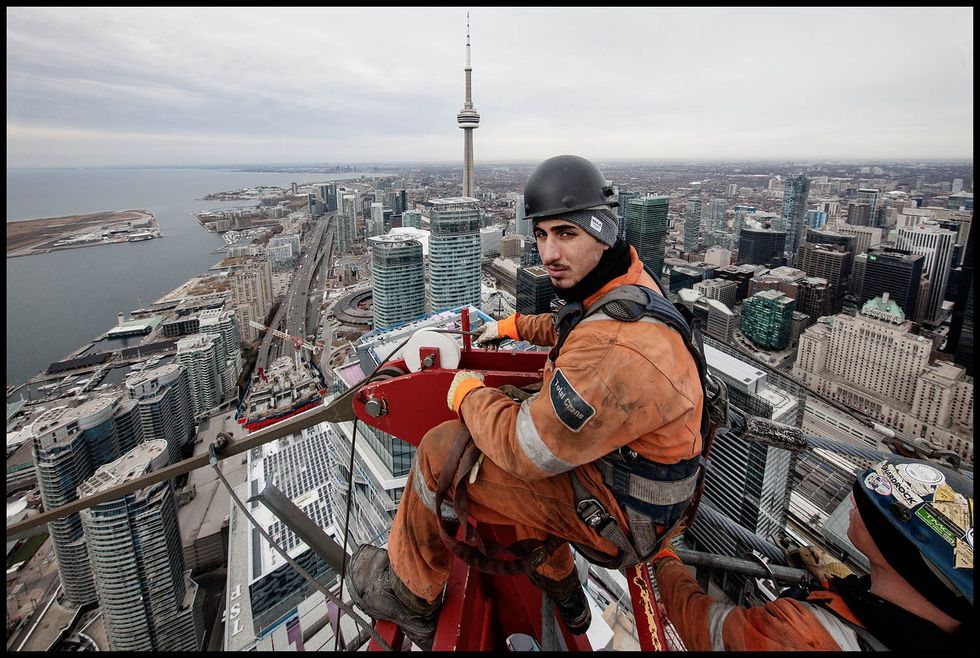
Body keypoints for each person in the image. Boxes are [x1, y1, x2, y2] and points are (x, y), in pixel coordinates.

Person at [346, 155, 706, 648]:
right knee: (527, 428)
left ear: (601, 233)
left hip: (623, 518)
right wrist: (512, 327)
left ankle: (410, 594)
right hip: (635, 484)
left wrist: (470, 393)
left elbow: (524, 449)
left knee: (440, 451)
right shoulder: (629, 284)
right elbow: (575, 325)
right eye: (541, 236)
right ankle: (565, 591)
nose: (549, 253)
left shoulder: (616, 350)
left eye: (566, 234)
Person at [653, 456, 973, 651]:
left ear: (902, 551)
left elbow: (702, 624)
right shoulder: (930, 626)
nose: (851, 504)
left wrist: (659, 554)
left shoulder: (793, 638)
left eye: (867, 505)